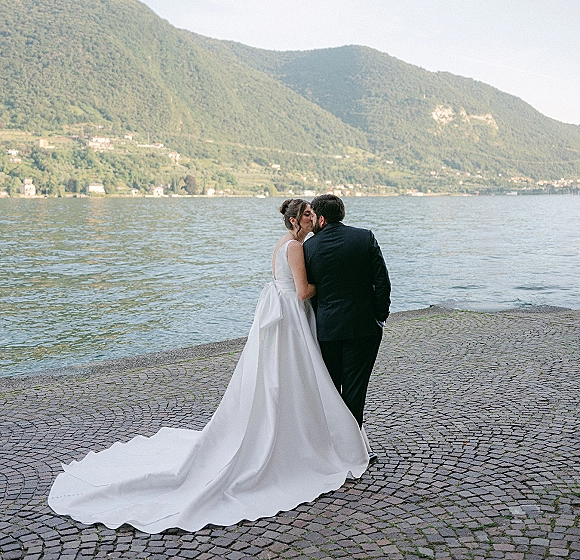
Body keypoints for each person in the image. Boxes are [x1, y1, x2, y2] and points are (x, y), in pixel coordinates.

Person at [48, 199, 370, 534]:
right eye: (306, 214)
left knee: (281, 378)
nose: (311, 218)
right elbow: (303, 291)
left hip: (281, 314)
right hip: (291, 316)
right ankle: (303, 438)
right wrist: (336, 287)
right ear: (295, 220)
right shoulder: (295, 247)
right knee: (296, 376)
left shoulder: (285, 244)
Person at [303, 194, 391, 444]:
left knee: (330, 389)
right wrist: (379, 317)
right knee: (356, 389)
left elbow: (310, 291)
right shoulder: (364, 237)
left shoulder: (309, 247)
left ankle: (333, 445)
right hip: (364, 326)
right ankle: (353, 446)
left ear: (320, 218)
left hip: (327, 328)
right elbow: (382, 281)